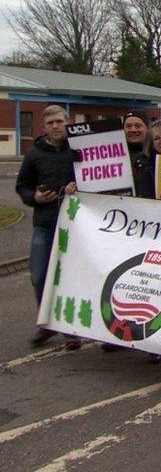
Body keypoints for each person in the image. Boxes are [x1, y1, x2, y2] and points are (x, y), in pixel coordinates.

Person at [15, 105, 78, 347]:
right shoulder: (34, 154)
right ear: (44, 126)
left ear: (67, 122)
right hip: (45, 224)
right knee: (39, 275)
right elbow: (22, 186)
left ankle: (71, 330)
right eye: (50, 123)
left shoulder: (78, 149)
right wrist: (35, 198)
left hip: (75, 226)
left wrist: (78, 187)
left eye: (59, 121)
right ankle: (47, 322)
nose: (55, 126)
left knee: (69, 279)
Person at [121, 111, 151, 189]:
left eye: (138, 126)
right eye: (128, 126)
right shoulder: (112, 157)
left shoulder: (155, 154)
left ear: (147, 128)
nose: (133, 130)